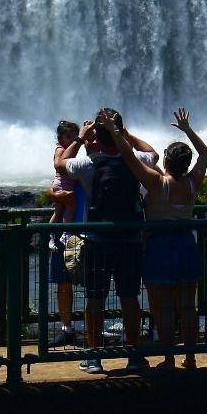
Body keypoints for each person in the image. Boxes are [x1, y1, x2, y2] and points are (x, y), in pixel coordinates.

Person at [105, 109, 207, 370]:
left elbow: (129, 159)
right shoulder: (193, 183)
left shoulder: (155, 182)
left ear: (167, 161)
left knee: (161, 306)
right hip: (186, 244)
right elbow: (205, 153)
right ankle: (191, 358)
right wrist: (188, 131)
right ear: (185, 164)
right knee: (187, 306)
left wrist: (117, 134)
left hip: (159, 245)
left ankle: (169, 358)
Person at [57, 109, 157, 372]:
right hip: (130, 238)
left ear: (96, 138)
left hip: (97, 240)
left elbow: (60, 165)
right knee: (130, 297)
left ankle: (94, 356)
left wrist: (80, 138)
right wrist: (124, 133)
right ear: (119, 132)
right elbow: (154, 154)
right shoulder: (134, 158)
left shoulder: (88, 164)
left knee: (94, 298)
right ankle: (134, 354)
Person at [46, 120, 86, 347]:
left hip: (87, 228)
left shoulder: (84, 160)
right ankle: (66, 327)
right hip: (69, 227)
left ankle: (94, 331)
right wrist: (53, 192)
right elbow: (57, 173)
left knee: (94, 284)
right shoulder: (65, 157)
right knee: (63, 282)